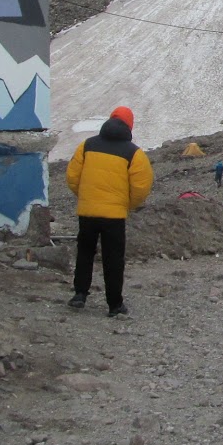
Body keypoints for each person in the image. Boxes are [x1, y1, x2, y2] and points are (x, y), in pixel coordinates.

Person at [66, 105, 154, 317]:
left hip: (87, 212)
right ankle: (114, 305)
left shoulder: (86, 146)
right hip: (114, 216)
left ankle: (79, 294)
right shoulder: (134, 153)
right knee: (113, 258)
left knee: (85, 251)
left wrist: (86, 196)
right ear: (129, 125)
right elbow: (141, 187)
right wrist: (127, 205)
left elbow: (72, 177)